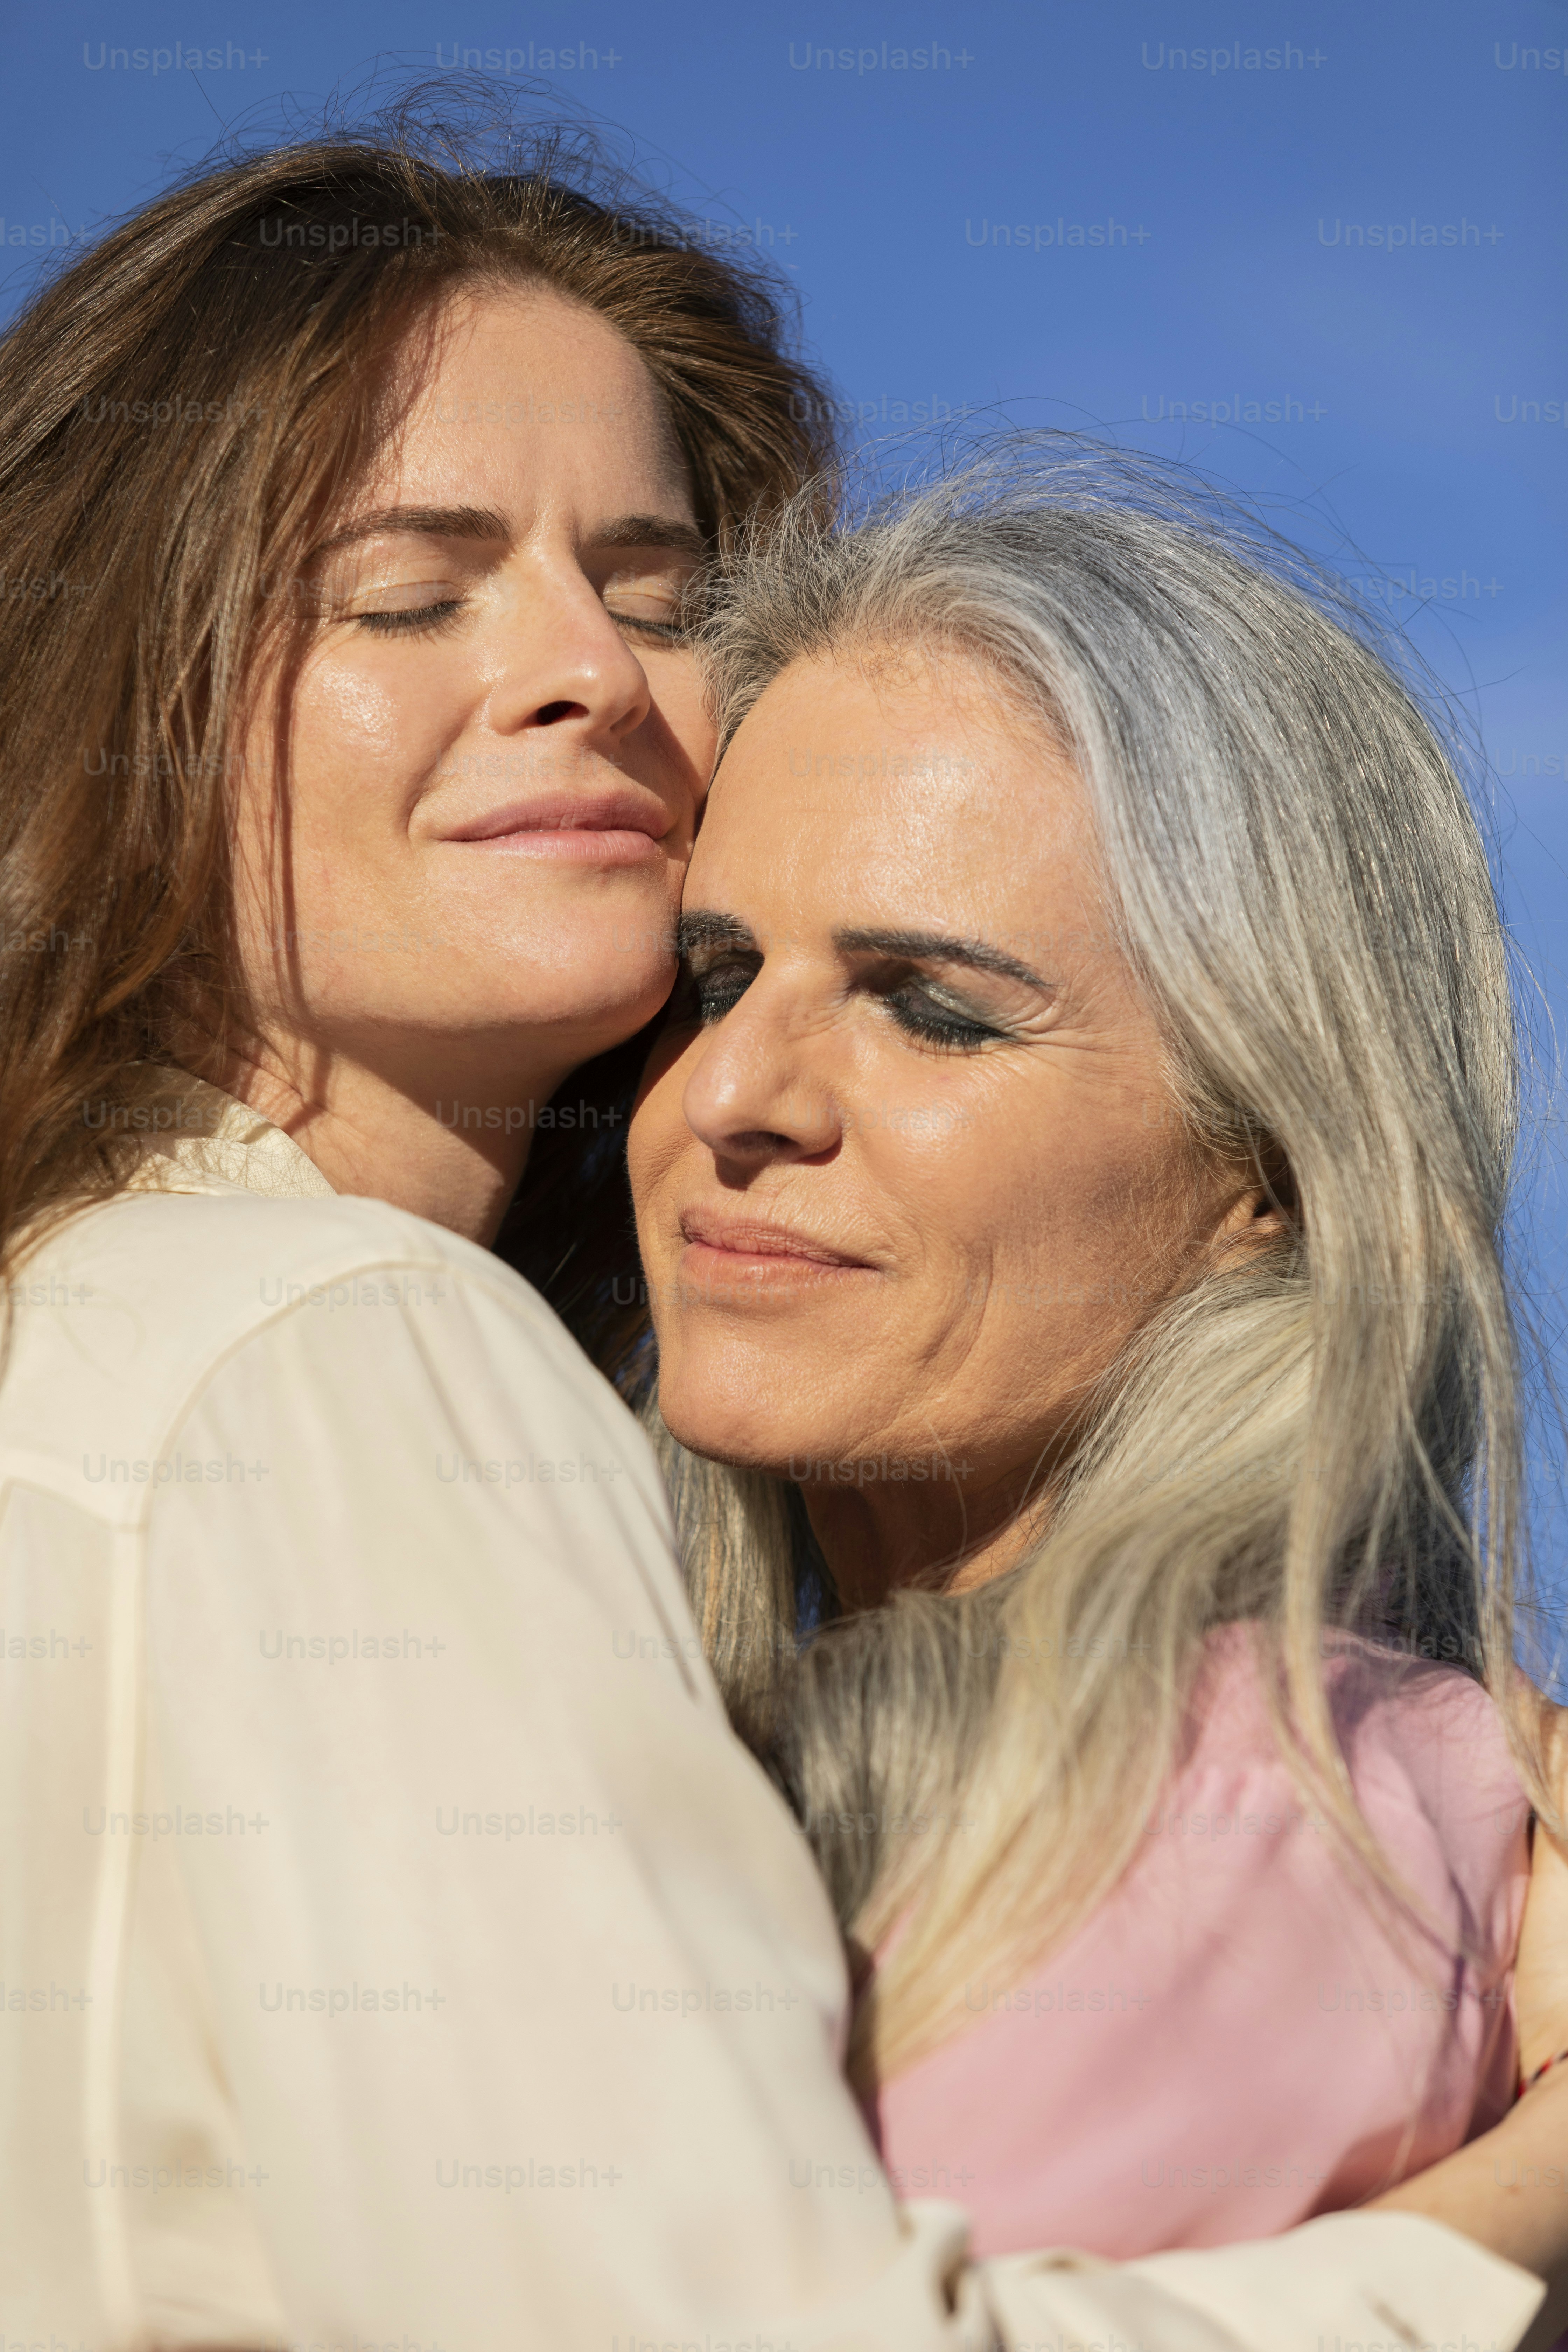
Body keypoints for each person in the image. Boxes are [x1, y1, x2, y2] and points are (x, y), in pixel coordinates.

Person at [0, 106, 1562, 2352]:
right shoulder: (332, 1348)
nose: (596, 676)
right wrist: (1520, 2199)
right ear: (115, 687)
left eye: (652, 589)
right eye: (408, 591)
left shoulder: (1275, 1807)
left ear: (1269, 1169)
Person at [625, 458, 1568, 2254]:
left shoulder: (1243, 1808)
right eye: (718, 971)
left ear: (1270, 1177)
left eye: (933, 1011)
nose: (732, 1098)